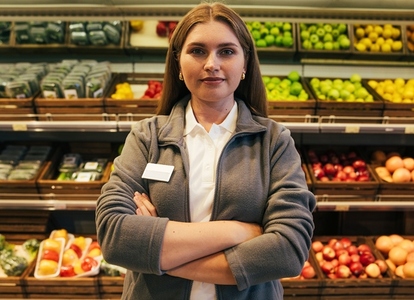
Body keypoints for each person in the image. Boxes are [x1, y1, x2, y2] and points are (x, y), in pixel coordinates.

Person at [95, 2, 316, 299]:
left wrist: (156, 255)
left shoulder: (274, 142)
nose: (212, 63)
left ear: (245, 63)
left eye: (226, 51)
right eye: (197, 51)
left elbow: (289, 251)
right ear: (178, 63)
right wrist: (239, 232)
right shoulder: (147, 137)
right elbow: (115, 237)